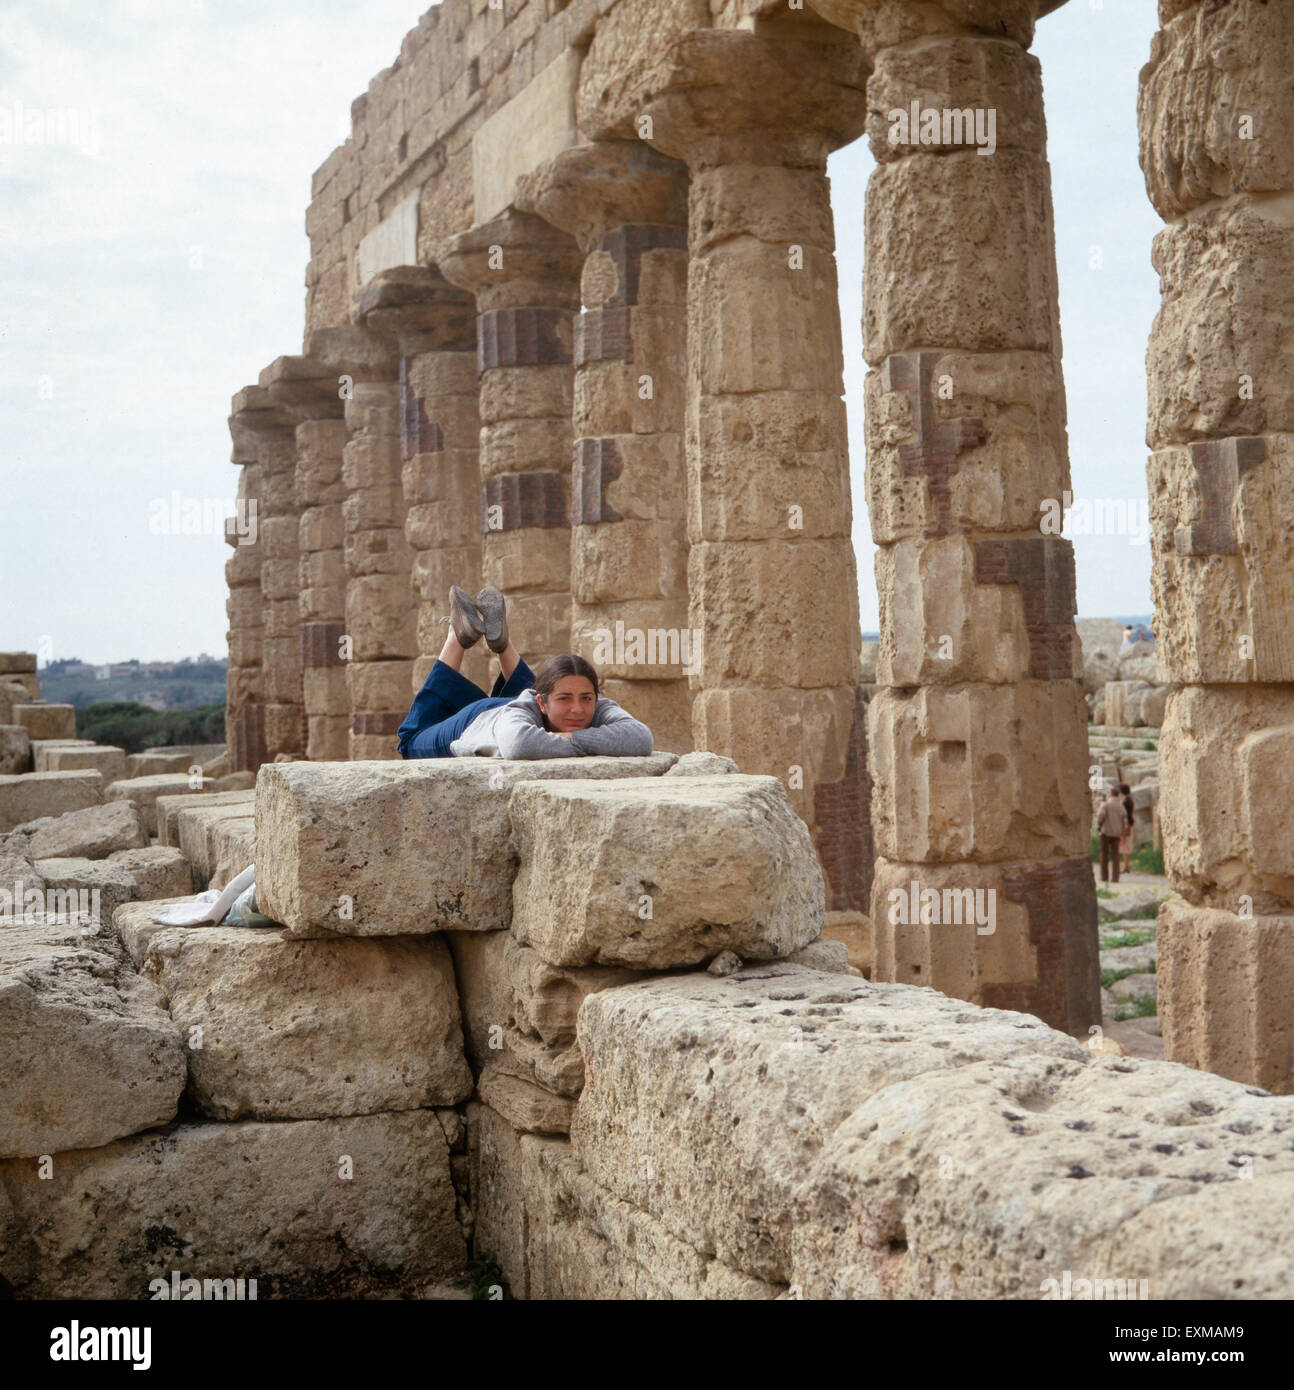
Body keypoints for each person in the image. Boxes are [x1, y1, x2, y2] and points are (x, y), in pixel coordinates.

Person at [397, 585, 653, 760]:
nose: (578, 708)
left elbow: (641, 737)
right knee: (410, 741)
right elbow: (519, 744)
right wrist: (589, 740)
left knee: (547, 688)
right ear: (539, 702)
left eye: (586, 698)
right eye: (565, 699)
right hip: (478, 720)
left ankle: (503, 645)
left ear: (596, 697)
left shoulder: (590, 703)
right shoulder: (523, 712)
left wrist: (562, 736)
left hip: (519, 701)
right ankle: (456, 636)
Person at [1095, 785, 1127, 883]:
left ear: (1110, 794)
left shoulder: (1106, 805)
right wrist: (1122, 833)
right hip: (1117, 833)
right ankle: (1115, 878)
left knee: (1104, 854)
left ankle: (1104, 876)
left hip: (1105, 832)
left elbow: (1100, 816)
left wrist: (1099, 825)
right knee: (1115, 855)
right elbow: (1124, 821)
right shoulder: (1121, 806)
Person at [1119, 781, 1135, 875]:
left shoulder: (1126, 801)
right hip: (1130, 824)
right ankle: (1126, 866)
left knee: (1125, 846)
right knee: (1126, 845)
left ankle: (1126, 866)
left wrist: (1125, 826)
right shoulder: (1129, 800)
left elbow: (1125, 815)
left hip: (1127, 825)